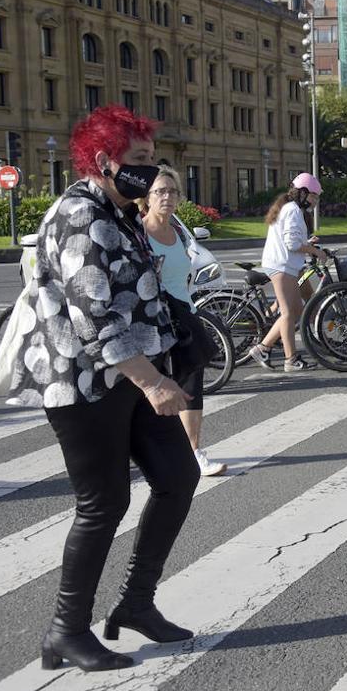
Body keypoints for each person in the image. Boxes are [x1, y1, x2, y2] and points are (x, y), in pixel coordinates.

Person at [7, 105, 199, 672]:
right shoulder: (79, 215)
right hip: (85, 384)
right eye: (139, 159)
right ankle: (66, 631)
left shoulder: (118, 212)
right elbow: (94, 318)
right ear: (103, 160)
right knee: (103, 503)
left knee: (178, 477)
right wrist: (155, 383)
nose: (150, 169)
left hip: (132, 376)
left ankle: (136, 602)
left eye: (152, 158)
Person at [140, 165, 224, 477]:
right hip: (154, 323)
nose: (167, 197)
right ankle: (152, 453)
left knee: (192, 383)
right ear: (147, 197)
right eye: (160, 191)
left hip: (184, 315)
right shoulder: (139, 233)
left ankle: (194, 452)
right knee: (154, 389)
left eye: (172, 191)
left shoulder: (177, 233)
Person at [249, 174, 327, 372]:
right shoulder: (292, 210)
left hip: (285, 265)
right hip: (281, 265)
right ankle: (290, 359)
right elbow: (291, 244)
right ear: (303, 193)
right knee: (288, 313)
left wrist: (307, 243)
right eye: (314, 196)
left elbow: (291, 240)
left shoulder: (290, 208)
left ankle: (262, 348)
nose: (315, 201)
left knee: (294, 311)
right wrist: (315, 251)